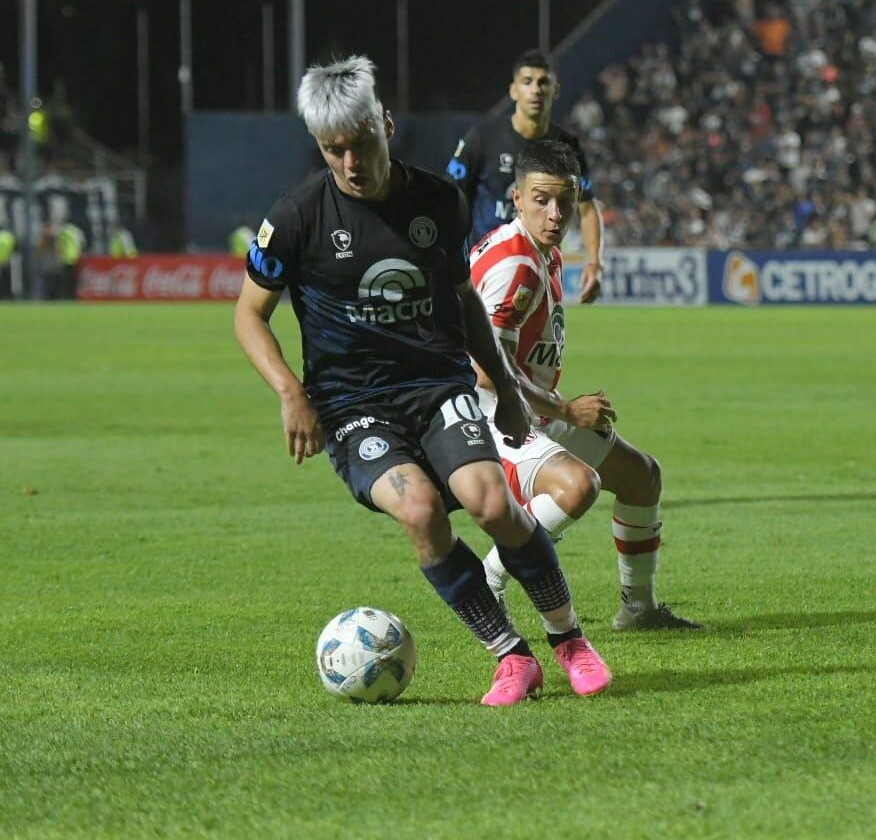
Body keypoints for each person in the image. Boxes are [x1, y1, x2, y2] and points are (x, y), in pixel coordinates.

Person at [233, 56, 611, 706]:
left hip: (437, 386)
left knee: (493, 502)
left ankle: (569, 639)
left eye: (361, 143)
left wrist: (509, 392)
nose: (350, 162)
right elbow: (248, 313)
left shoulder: (438, 201)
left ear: (385, 123)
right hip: (353, 406)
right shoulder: (297, 218)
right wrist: (291, 393)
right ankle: (511, 658)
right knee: (419, 511)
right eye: (333, 150)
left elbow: (464, 307)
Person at [469, 140, 700, 631]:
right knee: (578, 488)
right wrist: (566, 409)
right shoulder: (517, 267)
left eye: (565, 202)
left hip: (528, 408)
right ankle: (486, 578)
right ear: (517, 197)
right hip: (490, 418)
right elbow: (486, 369)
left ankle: (639, 610)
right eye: (541, 200)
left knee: (641, 477)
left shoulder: (539, 250)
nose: (555, 214)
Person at [447, 49, 604, 303]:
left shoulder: (567, 145)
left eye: (544, 82)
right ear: (514, 90)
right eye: (527, 81)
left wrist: (595, 263)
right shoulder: (483, 138)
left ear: (556, 90)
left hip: (542, 272)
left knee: (543, 344)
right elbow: (450, 198)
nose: (536, 90)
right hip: (489, 269)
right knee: (491, 342)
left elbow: (586, 208)